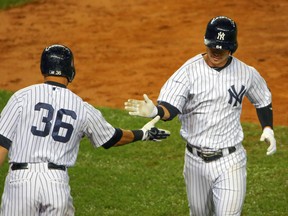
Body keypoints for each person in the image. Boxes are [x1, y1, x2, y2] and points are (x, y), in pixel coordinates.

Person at [124, 16, 276, 216]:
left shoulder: (246, 73)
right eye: (213, 47)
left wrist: (267, 128)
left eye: (222, 49)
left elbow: (263, 99)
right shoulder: (188, 72)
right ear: (206, 43)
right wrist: (156, 111)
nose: (216, 52)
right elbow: (170, 107)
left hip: (230, 160)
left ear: (232, 48)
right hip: (195, 162)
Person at [0, 44, 170, 216]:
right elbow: (112, 138)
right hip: (56, 184)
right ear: (70, 70)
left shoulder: (20, 98)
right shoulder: (81, 107)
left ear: (44, 67)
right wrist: (142, 133)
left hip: (20, 182)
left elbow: (2, 143)